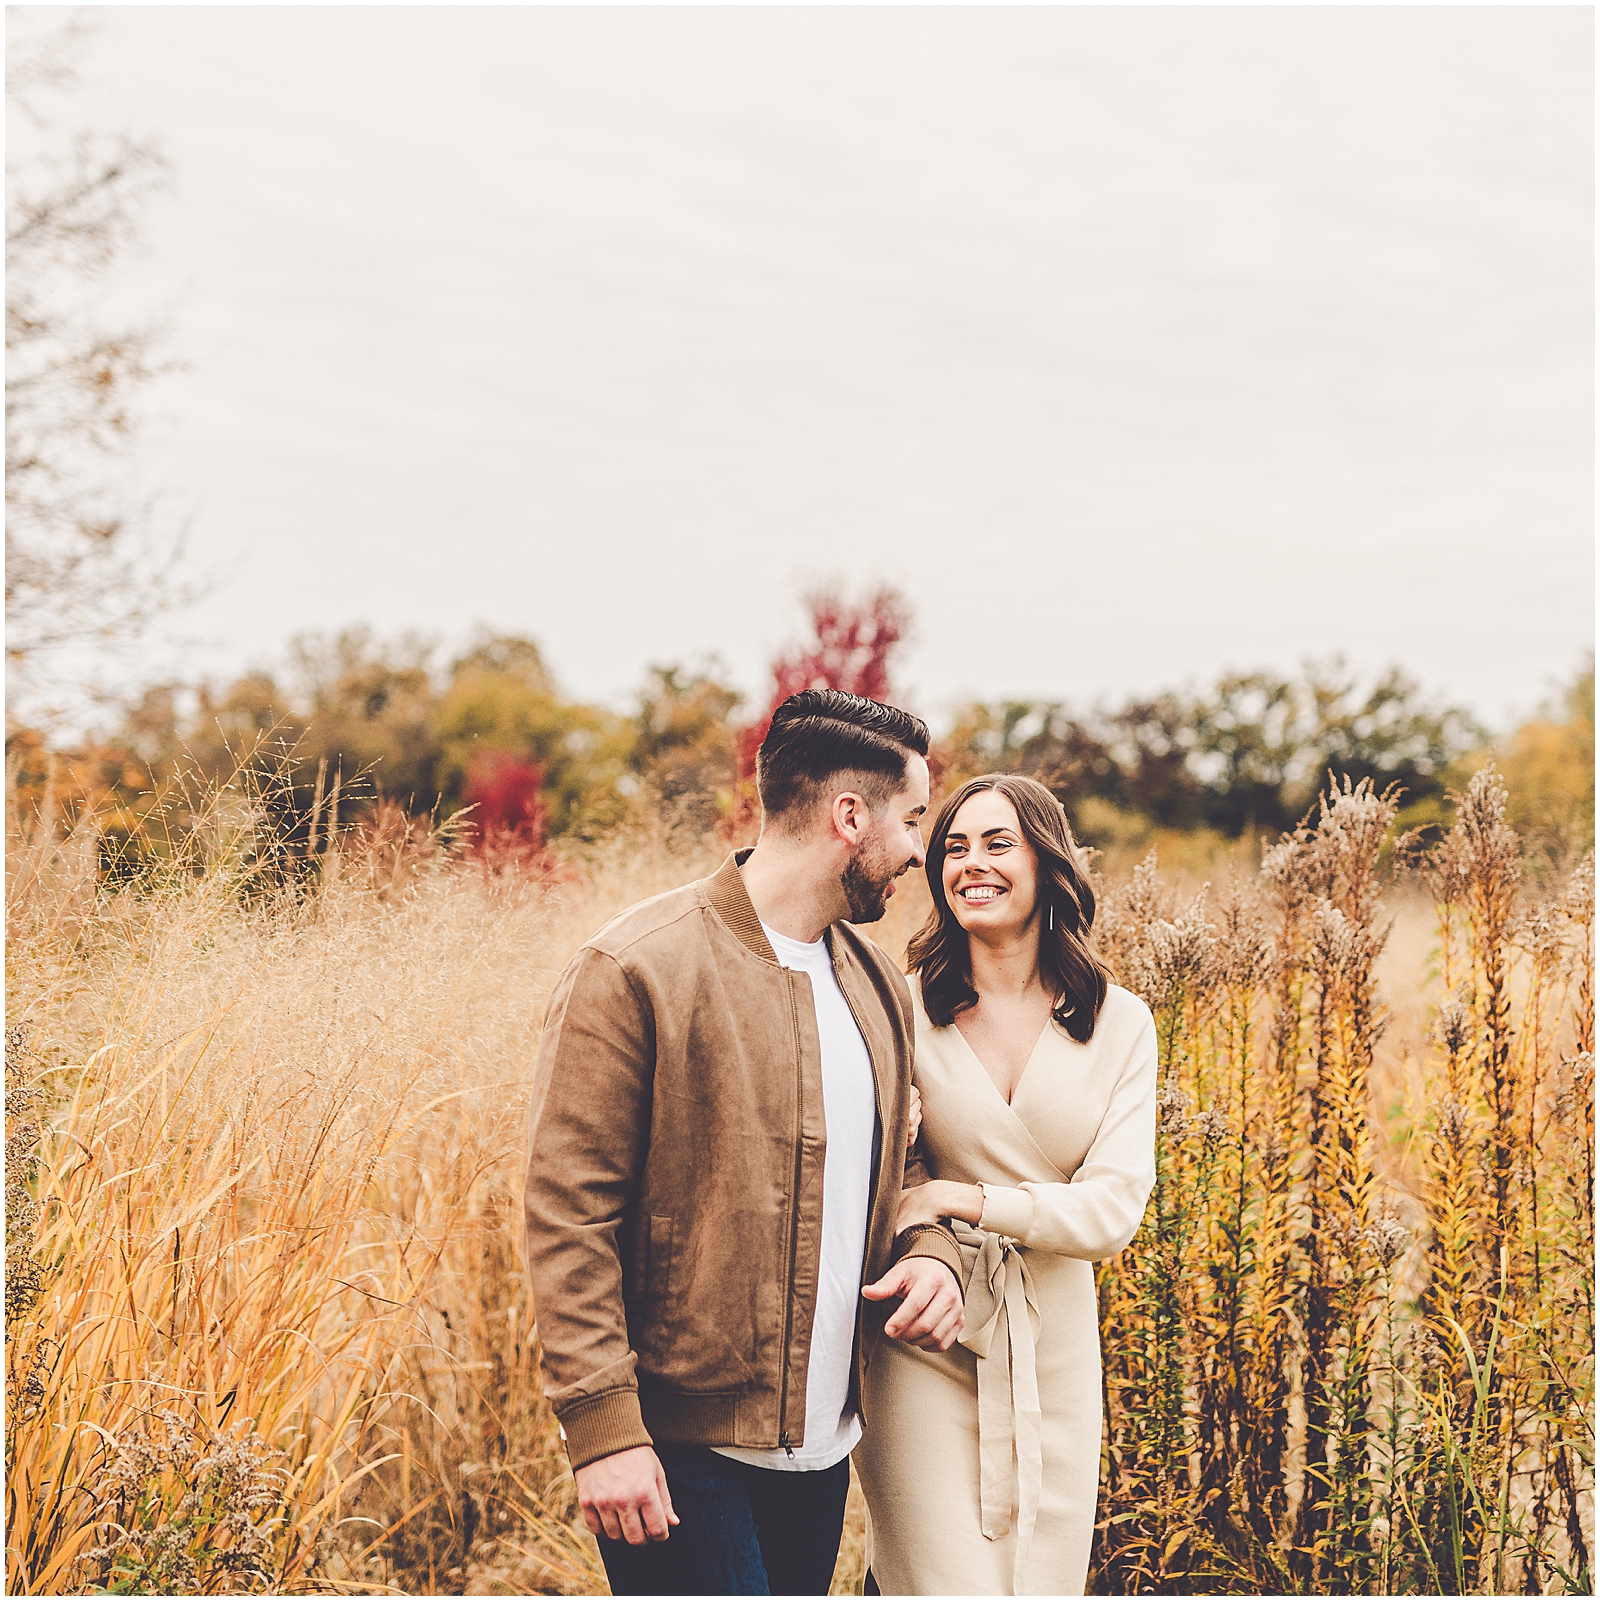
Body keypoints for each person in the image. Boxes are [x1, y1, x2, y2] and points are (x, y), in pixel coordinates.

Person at [523, 689, 966, 1597]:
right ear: (851, 816)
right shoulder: (639, 966)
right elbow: (568, 1209)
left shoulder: (876, 980)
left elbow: (905, 1159)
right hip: (681, 1455)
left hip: (822, 1450)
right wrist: (603, 1430)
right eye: (913, 818)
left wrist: (933, 1252)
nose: (921, 850)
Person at [854, 773, 1158, 1596]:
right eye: (953, 846)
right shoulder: (901, 1006)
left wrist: (967, 1197)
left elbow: (1112, 1210)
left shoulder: (1121, 1023)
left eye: (997, 843)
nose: (970, 864)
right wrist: (923, 1199)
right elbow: (878, 1163)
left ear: (1046, 861)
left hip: (1054, 1343)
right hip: (926, 1329)